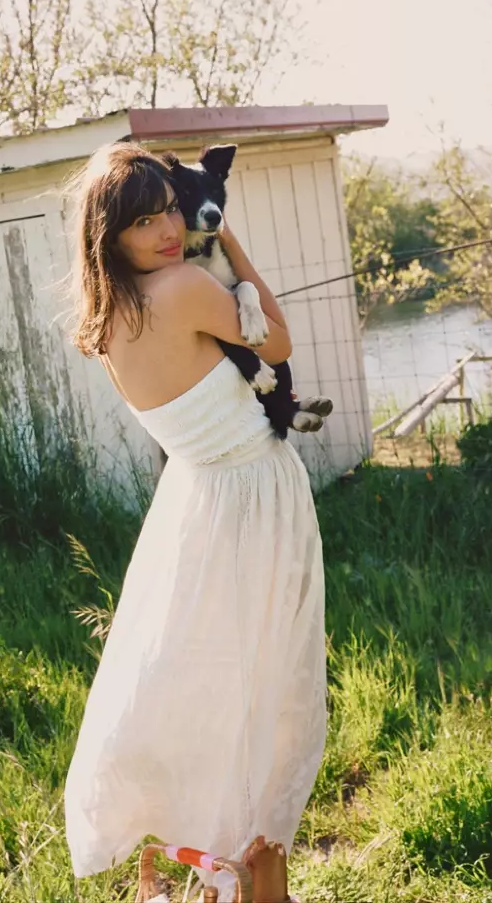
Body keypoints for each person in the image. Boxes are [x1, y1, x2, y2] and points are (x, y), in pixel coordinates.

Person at [63, 142, 327, 902]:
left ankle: (244, 872)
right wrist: (228, 239)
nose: (169, 230)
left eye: (171, 209)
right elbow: (276, 340)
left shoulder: (108, 317)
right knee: (269, 686)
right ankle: (250, 875)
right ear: (109, 236)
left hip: (197, 500)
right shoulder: (179, 287)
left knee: (226, 683)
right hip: (250, 495)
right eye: (143, 221)